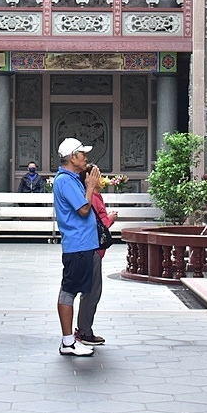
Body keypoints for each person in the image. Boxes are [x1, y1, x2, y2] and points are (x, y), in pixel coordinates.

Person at [52, 137, 100, 357]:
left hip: (84, 244)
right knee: (69, 290)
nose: (86, 158)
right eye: (82, 154)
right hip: (77, 245)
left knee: (75, 289)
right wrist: (90, 187)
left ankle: (71, 339)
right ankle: (68, 341)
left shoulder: (71, 178)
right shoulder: (65, 180)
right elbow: (83, 209)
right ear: (73, 157)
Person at [75, 162, 117, 346]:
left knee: (91, 291)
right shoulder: (92, 197)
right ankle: (84, 331)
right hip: (92, 248)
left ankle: (84, 329)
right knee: (91, 292)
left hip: (95, 249)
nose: (100, 179)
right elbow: (98, 224)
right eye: (96, 175)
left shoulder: (96, 196)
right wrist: (111, 219)